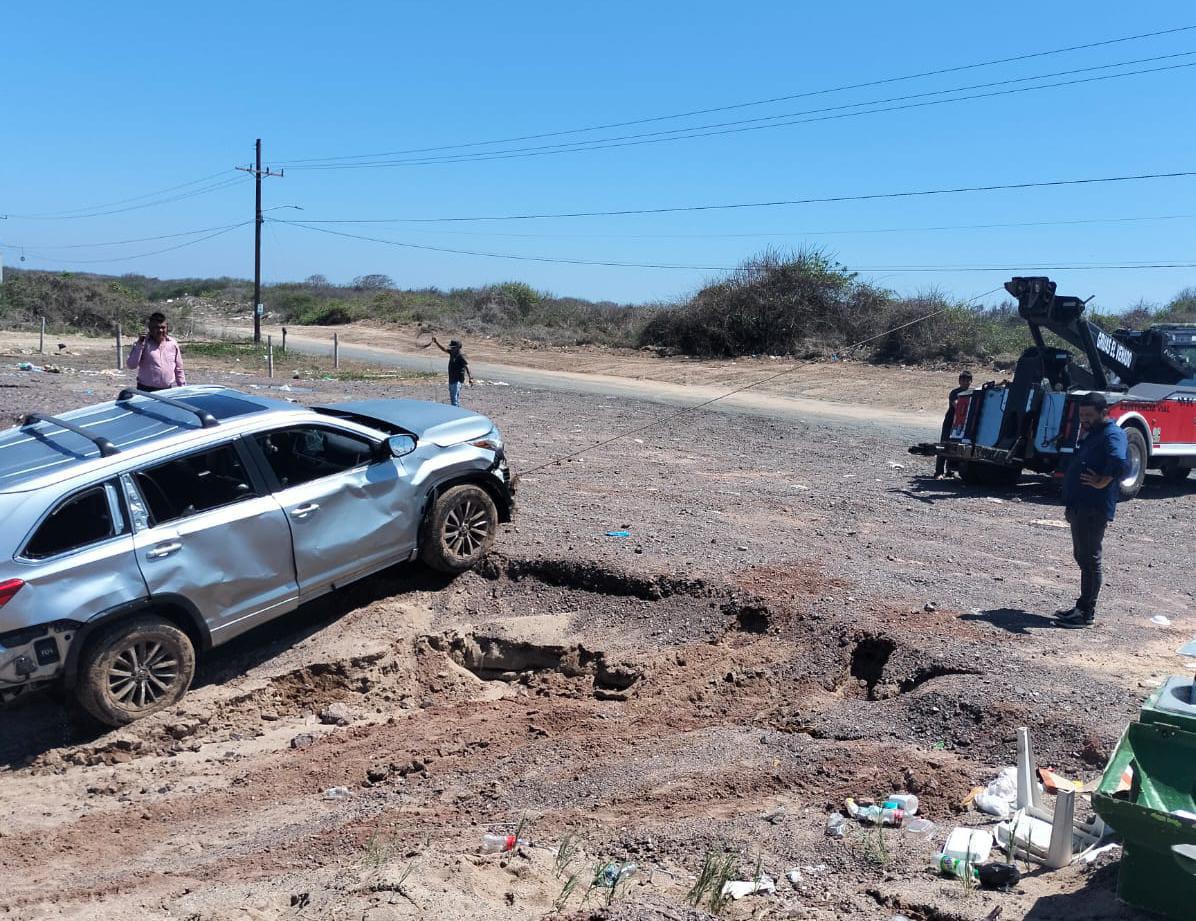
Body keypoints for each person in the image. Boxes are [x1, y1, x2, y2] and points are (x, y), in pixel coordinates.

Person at [1056, 392, 1129, 629]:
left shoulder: (1112, 434)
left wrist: (1104, 480)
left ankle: (1086, 613)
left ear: (1103, 412)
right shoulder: (1095, 433)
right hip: (1081, 505)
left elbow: (1119, 461)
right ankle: (1081, 607)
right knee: (1082, 556)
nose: (1084, 420)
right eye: (1081, 415)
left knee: (1090, 559)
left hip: (1093, 508)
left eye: (1089, 415)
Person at [126, 311, 185, 391]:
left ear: (167, 327)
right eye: (157, 327)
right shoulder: (142, 343)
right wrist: (140, 344)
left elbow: (179, 369)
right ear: (150, 328)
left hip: (167, 391)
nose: (160, 330)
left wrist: (182, 388)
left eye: (163, 327)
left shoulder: (172, 343)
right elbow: (131, 365)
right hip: (146, 390)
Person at [935, 370, 973, 478]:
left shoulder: (972, 393)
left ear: (970, 381)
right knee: (943, 446)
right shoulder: (955, 392)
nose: (965, 382)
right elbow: (957, 406)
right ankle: (939, 472)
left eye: (967, 380)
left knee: (957, 447)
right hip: (950, 422)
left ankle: (951, 470)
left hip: (962, 425)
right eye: (963, 380)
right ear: (959, 381)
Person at [430, 336, 474, 407]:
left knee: (454, 400)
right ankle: (457, 411)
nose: (452, 348)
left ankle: (455, 413)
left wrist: (470, 378)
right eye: (451, 347)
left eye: (453, 347)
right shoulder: (452, 352)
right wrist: (436, 342)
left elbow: (467, 366)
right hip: (451, 379)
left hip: (457, 380)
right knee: (454, 398)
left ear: (458, 347)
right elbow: (443, 349)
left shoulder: (461, 356)